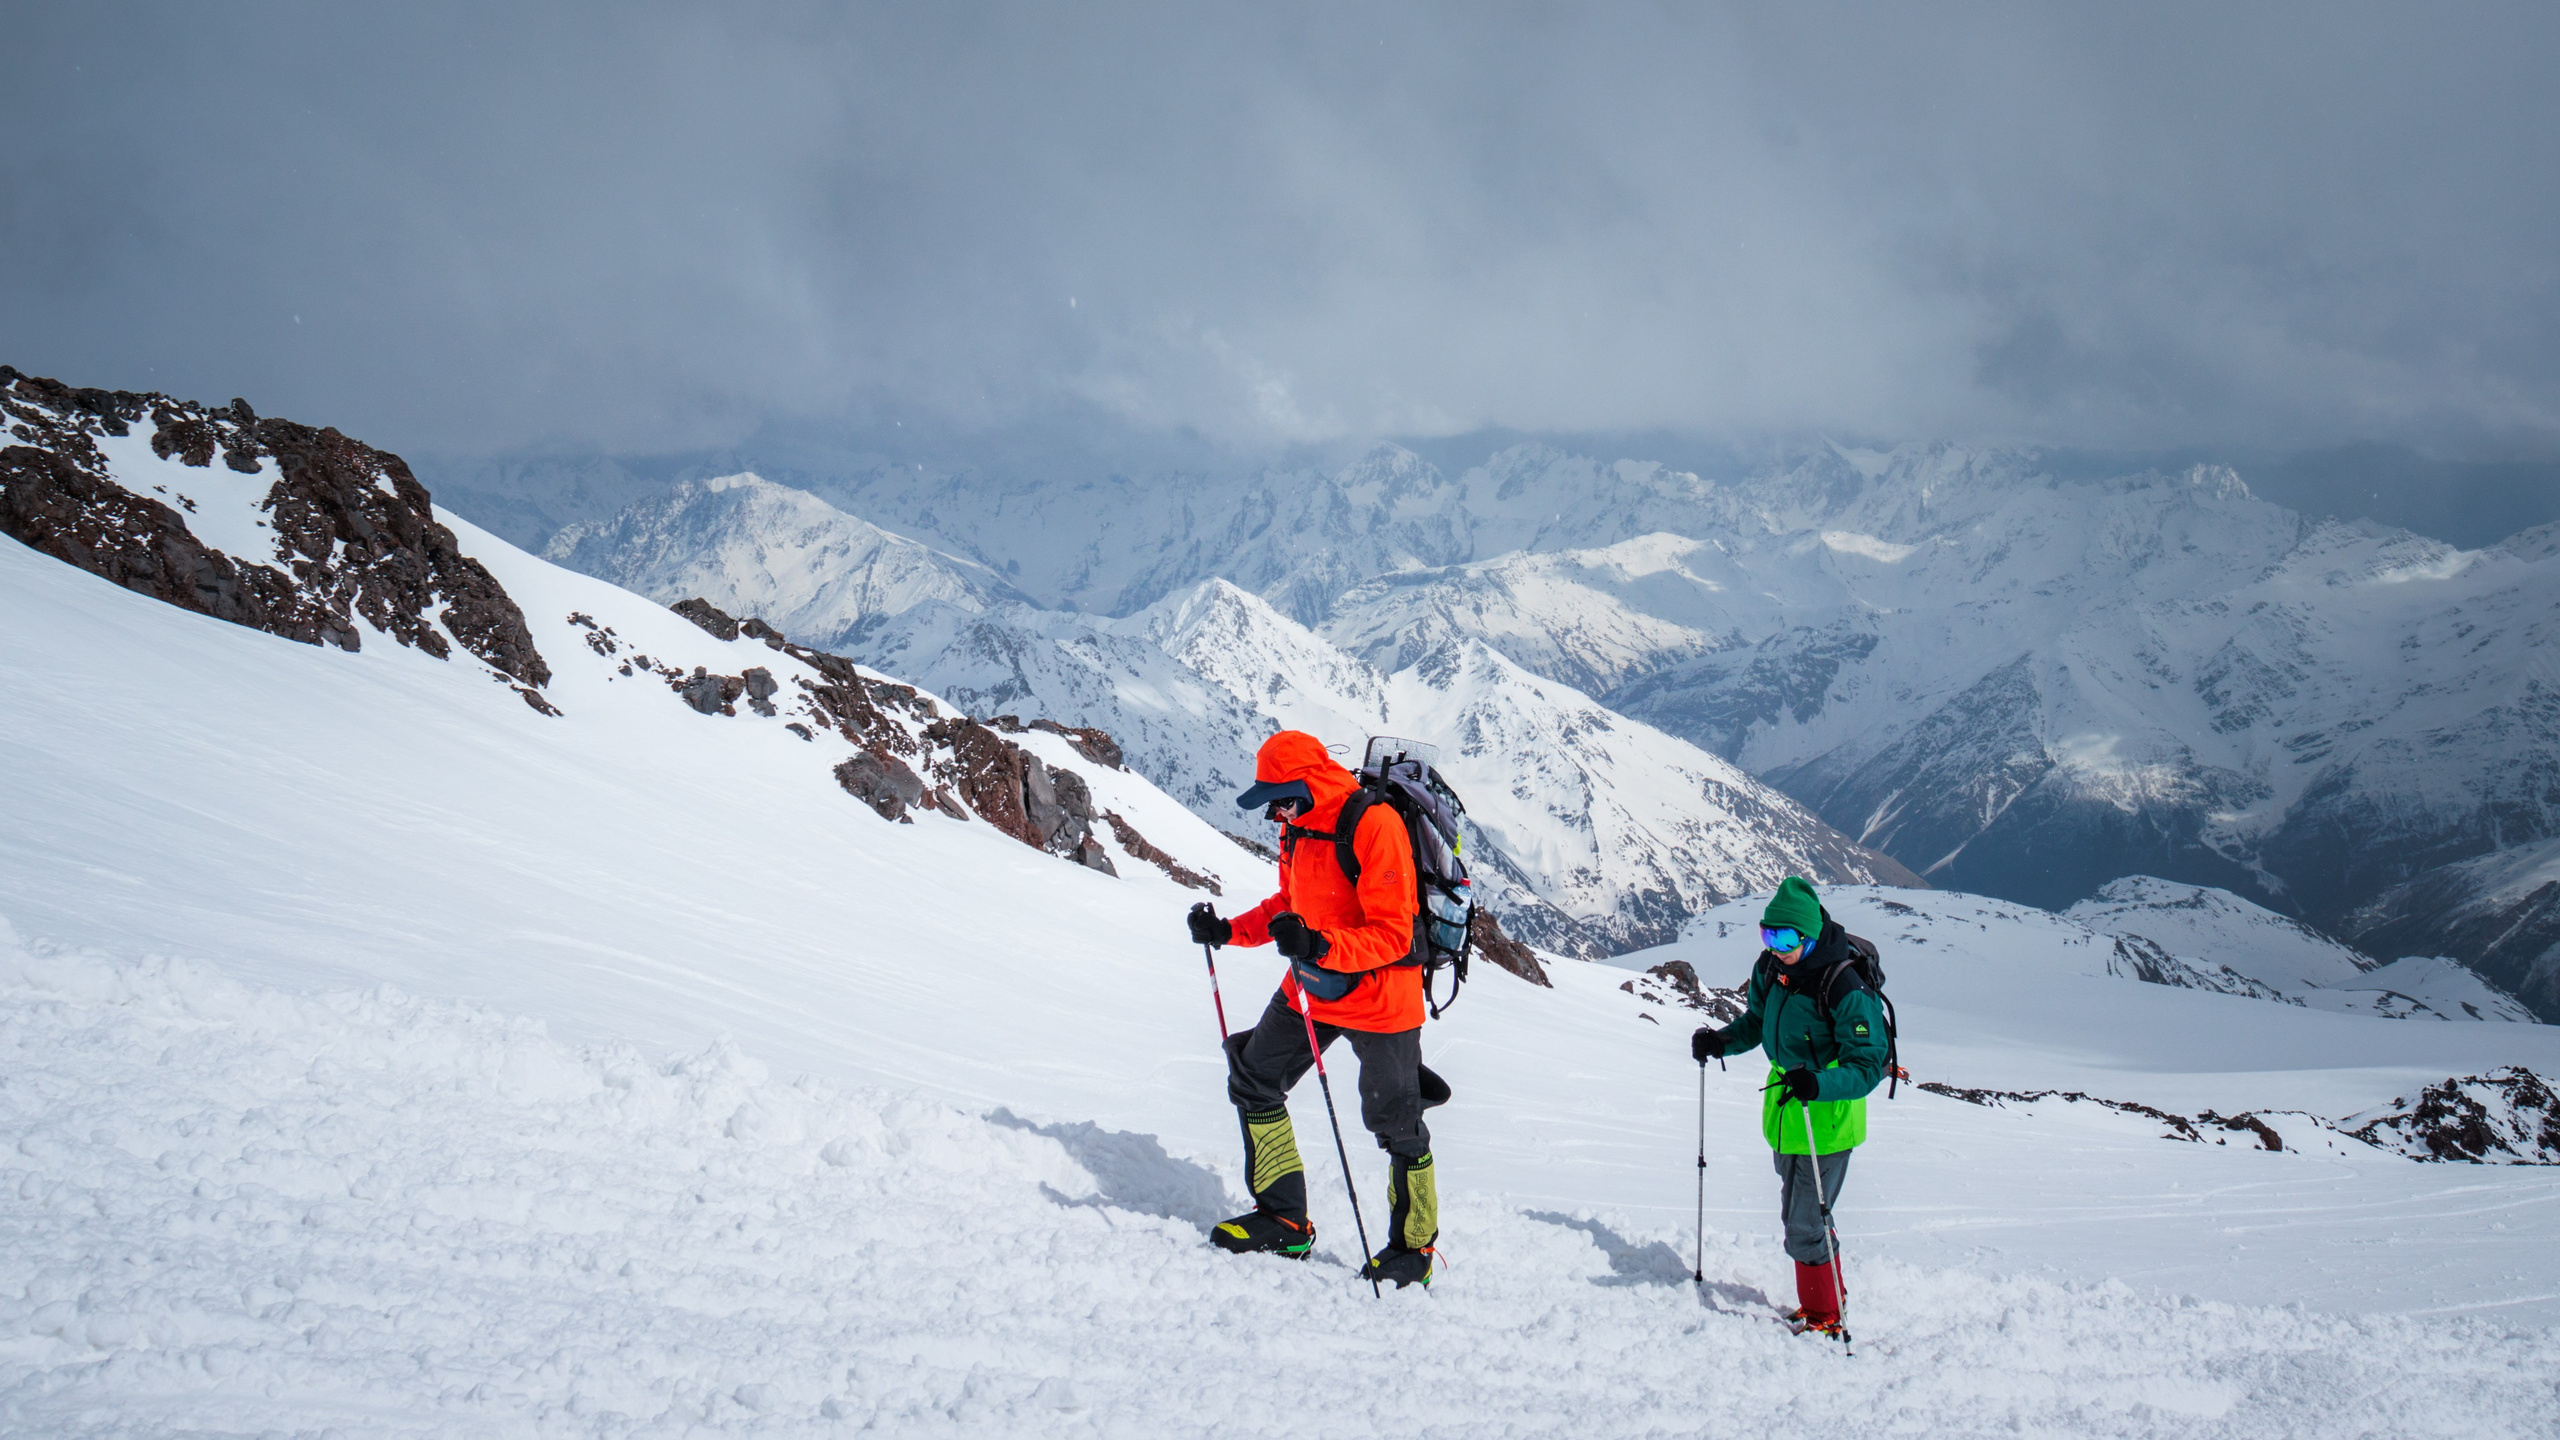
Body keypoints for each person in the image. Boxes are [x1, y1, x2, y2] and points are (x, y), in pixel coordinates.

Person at [1185, 729, 1439, 1287]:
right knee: (1253, 1075)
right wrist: (1229, 931)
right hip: (1311, 986)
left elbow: (1395, 935)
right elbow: (1289, 906)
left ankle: (1413, 1250)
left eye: (1279, 797)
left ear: (1305, 784)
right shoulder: (1295, 828)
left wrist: (1321, 946)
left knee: (1397, 1124)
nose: (1273, 811)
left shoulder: (1374, 825)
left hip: (1380, 996)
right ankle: (1284, 1219)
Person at [1689, 876, 1886, 1339]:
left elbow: (1868, 1064)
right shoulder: (1770, 969)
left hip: (1828, 1118)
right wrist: (1721, 1042)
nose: (1775, 947)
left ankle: (1824, 1315)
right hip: (1787, 1111)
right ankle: (1825, 1296)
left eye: (1784, 938)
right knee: (1801, 1215)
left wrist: (1817, 1084)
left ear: (1809, 934)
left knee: (1803, 1222)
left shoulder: (1843, 984)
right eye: (1767, 935)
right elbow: (1758, 1021)